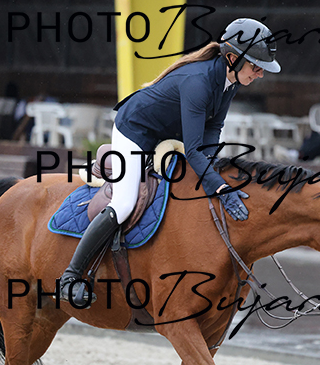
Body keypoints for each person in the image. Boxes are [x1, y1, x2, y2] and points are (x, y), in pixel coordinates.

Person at [59, 18, 282, 306]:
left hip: (165, 134)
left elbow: (213, 127)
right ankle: (71, 277)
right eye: (256, 67)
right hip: (135, 131)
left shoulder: (230, 81)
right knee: (125, 203)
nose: (260, 74)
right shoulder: (199, 83)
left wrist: (213, 167)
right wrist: (221, 188)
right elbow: (193, 150)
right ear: (232, 59)